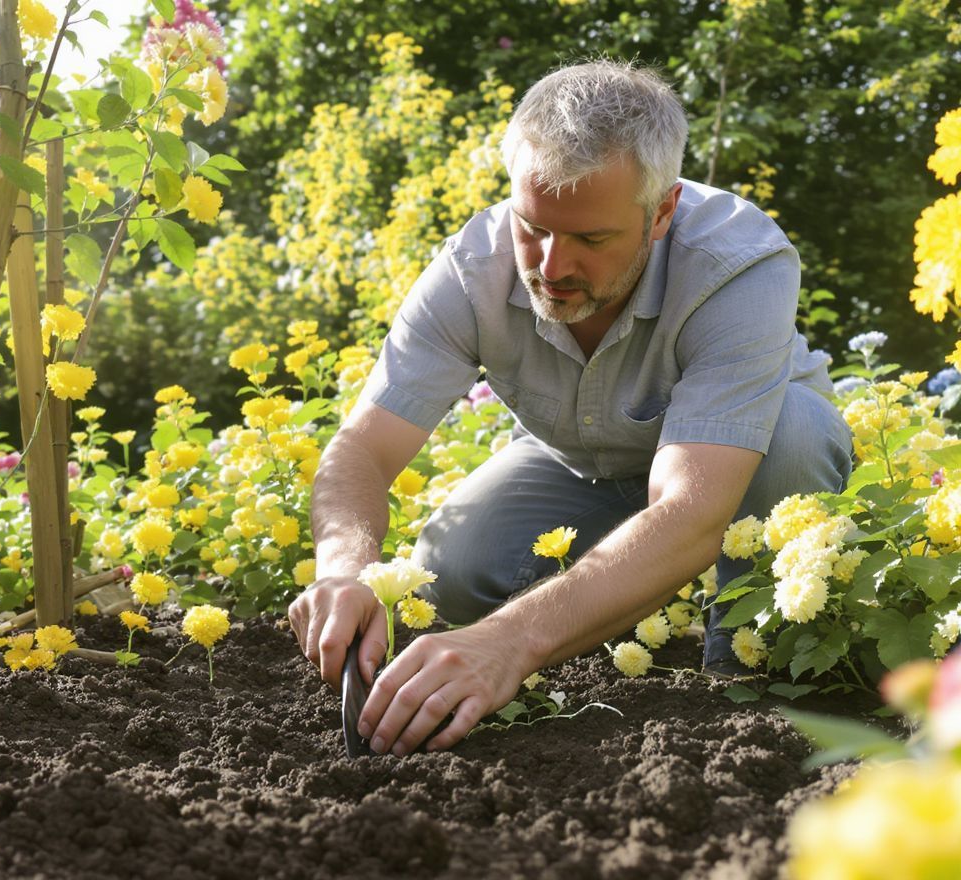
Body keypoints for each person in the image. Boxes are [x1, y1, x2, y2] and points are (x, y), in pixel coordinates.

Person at [287, 60, 852, 757]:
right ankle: (610, 612)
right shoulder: (472, 270)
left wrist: (511, 642)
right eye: (532, 227)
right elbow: (361, 452)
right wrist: (345, 568)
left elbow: (693, 510)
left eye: (590, 240)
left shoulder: (737, 262)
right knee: (451, 577)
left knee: (795, 434)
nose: (550, 267)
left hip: (734, 464)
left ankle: (749, 680)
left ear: (662, 212)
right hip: (581, 463)